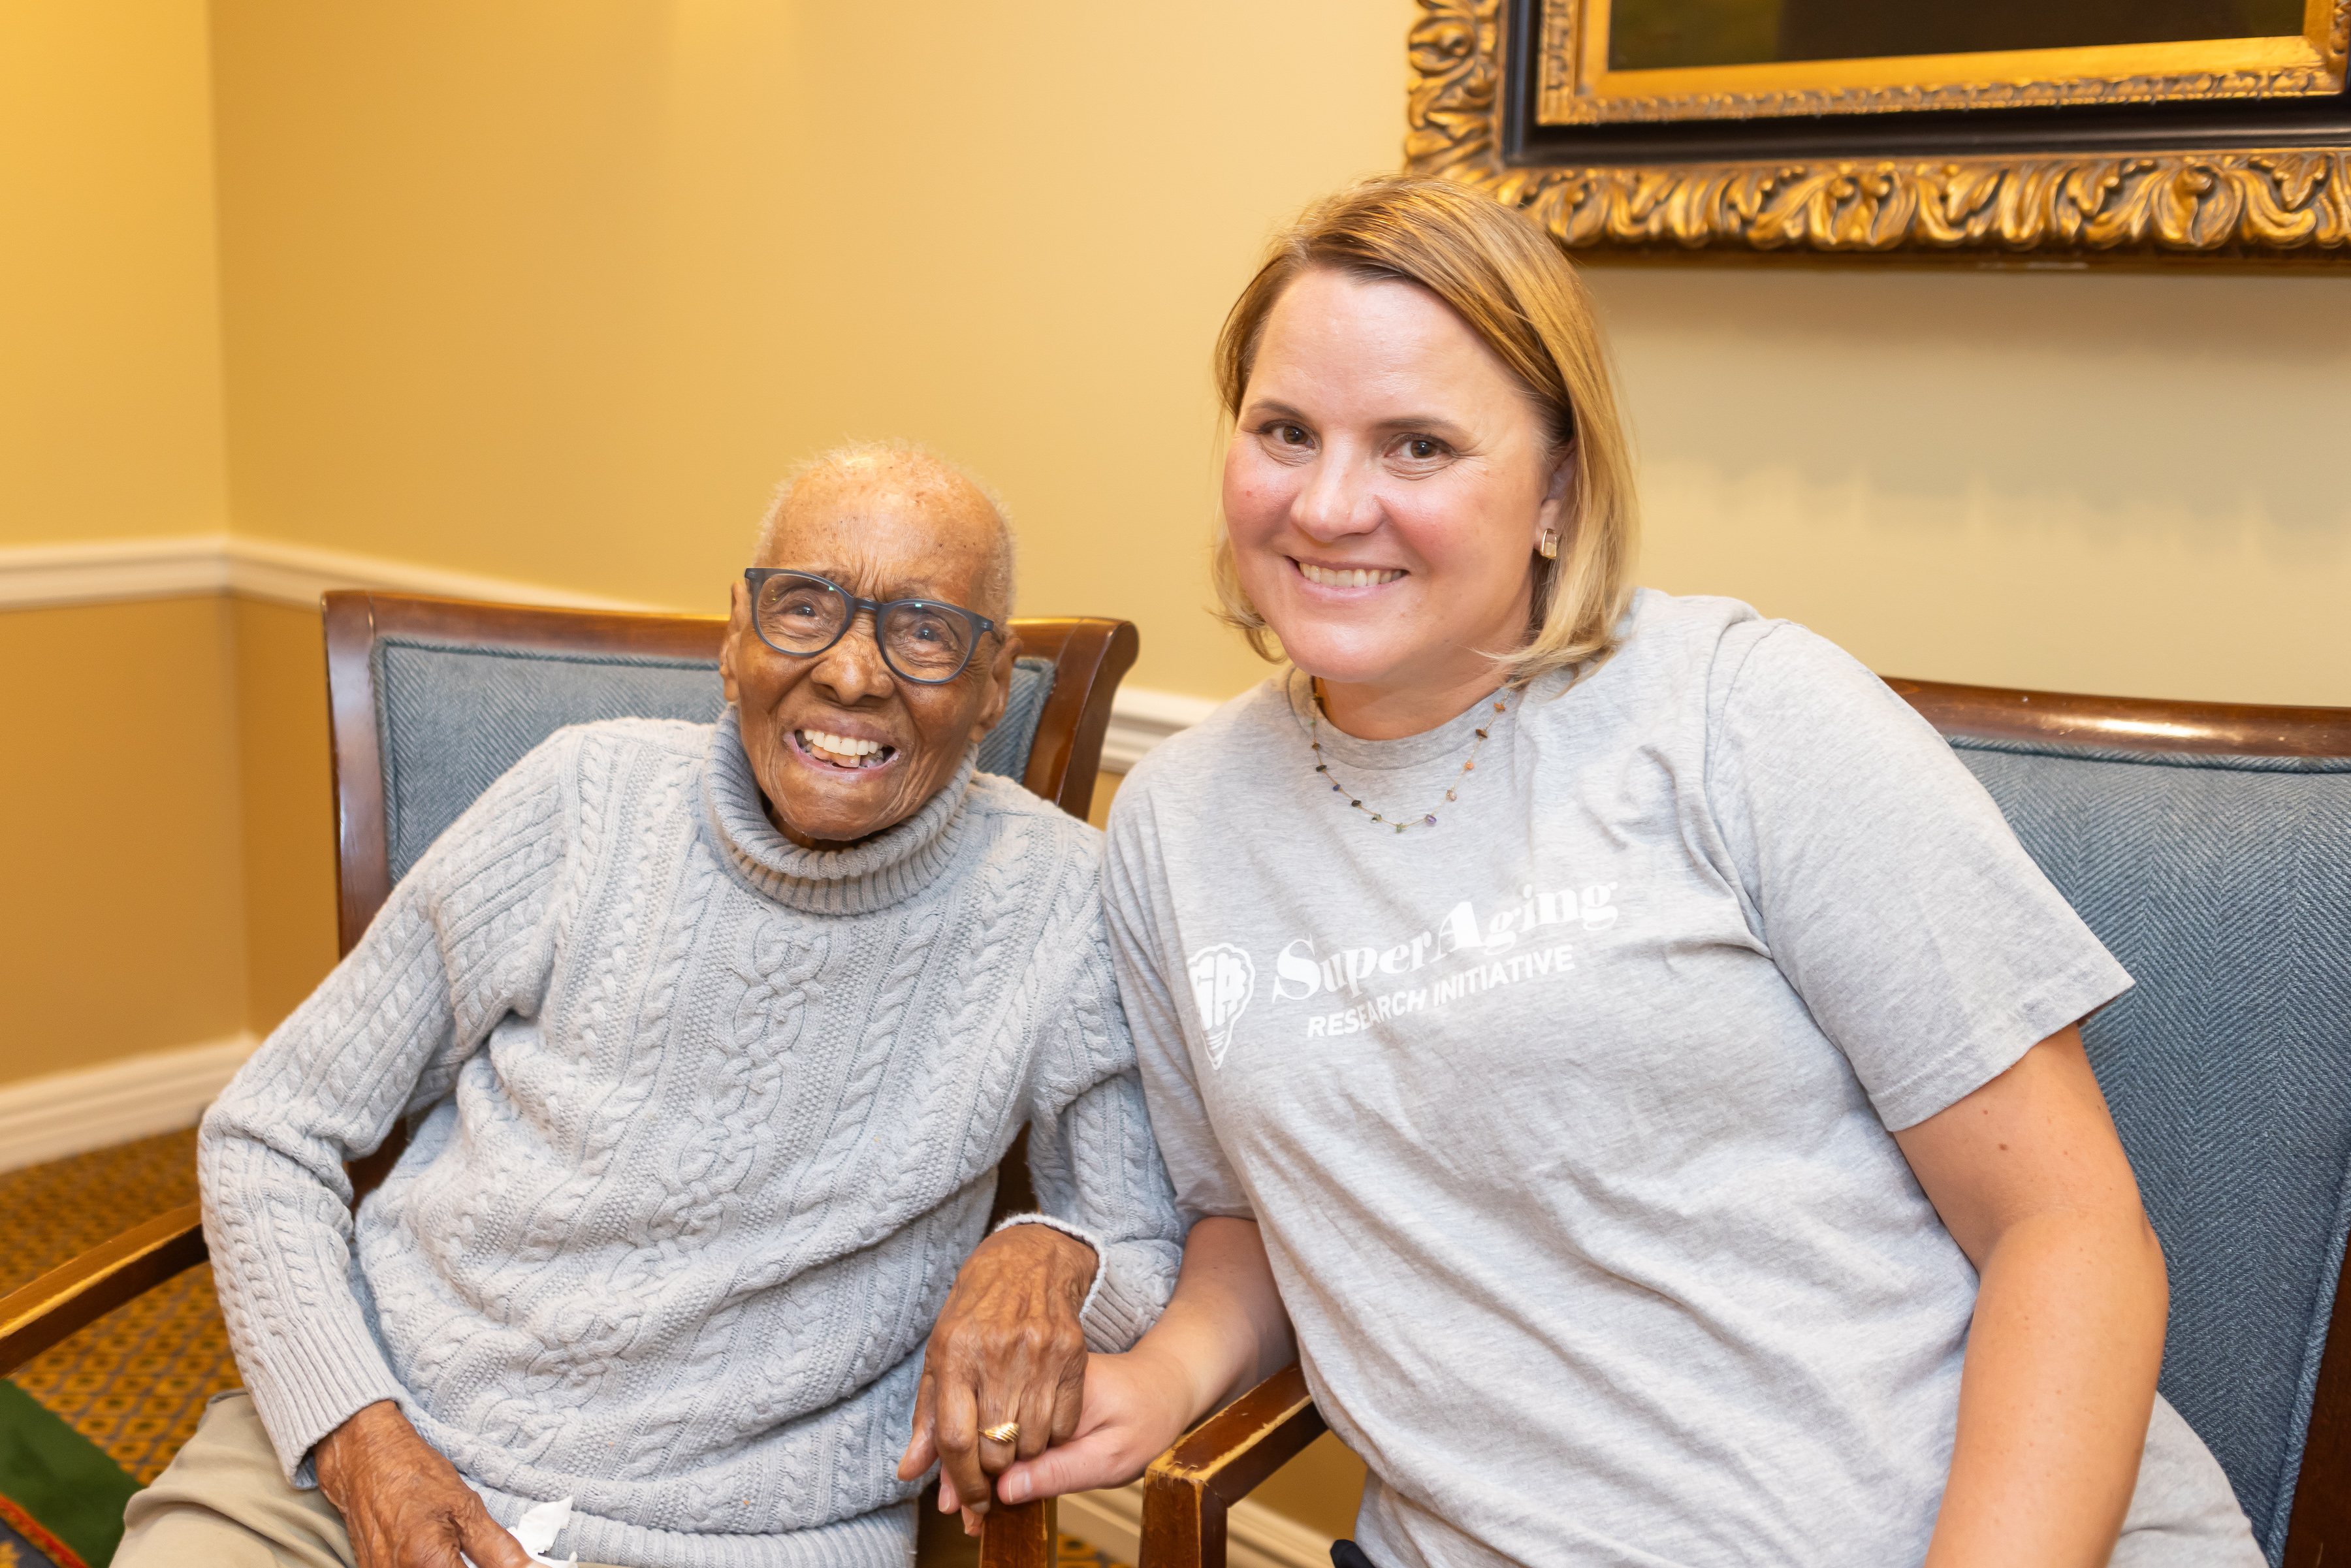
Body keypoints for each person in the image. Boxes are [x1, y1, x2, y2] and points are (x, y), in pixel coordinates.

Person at [982, 178, 2266, 1565]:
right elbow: (1259, 1209)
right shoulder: (1176, 824)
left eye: (1419, 446)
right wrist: (1162, 1380)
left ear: (1558, 490)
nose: (1331, 502)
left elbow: (2068, 1228)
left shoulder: (1744, 715)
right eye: (1285, 431)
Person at [121, 442, 1181, 1568]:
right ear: (737, 636)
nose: (855, 674)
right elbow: (267, 1133)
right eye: (806, 607)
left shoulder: (1067, 900)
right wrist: (359, 1439)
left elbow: (1145, 1243)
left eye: (924, 631)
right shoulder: (583, 795)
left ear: (990, 684)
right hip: (373, 1456)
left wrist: (1051, 1249)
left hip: (749, 1539)